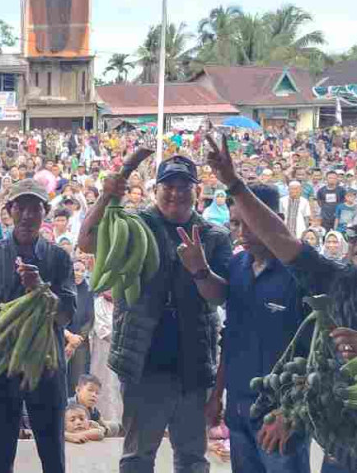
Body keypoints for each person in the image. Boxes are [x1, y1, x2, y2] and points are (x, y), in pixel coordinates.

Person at [203, 133, 357, 472]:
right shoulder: (335, 284)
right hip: (341, 454)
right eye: (355, 233)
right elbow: (282, 239)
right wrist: (233, 183)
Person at [77, 154, 232, 473]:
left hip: (194, 365)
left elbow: (221, 296)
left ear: (198, 193)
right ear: (155, 190)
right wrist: (108, 196)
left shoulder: (215, 237)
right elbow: (88, 242)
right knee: (137, 456)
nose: (175, 193)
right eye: (168, 186)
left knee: (191, 458)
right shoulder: (135, 225)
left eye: (184, 186)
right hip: (142, 363)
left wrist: (200, 269)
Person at [180, 183, 312, 473]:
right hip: (239, 408)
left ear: (276, 218)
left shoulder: (303, 272)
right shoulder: (238, 265)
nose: (242, 233)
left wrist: (289, 412)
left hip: (281, 417)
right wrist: (217, 396)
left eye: (251, 223)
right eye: (236, 223)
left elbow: (316, 352)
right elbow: (231, 335)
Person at [0, 178, 76, 473]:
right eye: (20, 207)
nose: (28, 215)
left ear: (46, 212)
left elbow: (66, 315)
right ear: (9, 210)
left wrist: (41, 288)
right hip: (1, 369)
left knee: (52, 454)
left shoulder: (59, 258)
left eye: (35, 208)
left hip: (47, 370)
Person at [89, 289, 123, 434]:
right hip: (104, 351)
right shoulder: (98, 303)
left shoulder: (125, 302)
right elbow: (102, 329)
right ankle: (106, 422)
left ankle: (122, 422)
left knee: (120, 386)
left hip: (123, 351)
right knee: (106, 385)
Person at [64, 259, 93, 394]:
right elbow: (55, 316)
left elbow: (89, 320)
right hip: (60, 338)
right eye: (76, 269)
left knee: (76, 379)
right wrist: (68, 336)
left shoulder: (88, 291)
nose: (79, 273)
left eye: (83, 270)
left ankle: (75, 411)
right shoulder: (63, 288)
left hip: (79, 343)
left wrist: (77, 340)